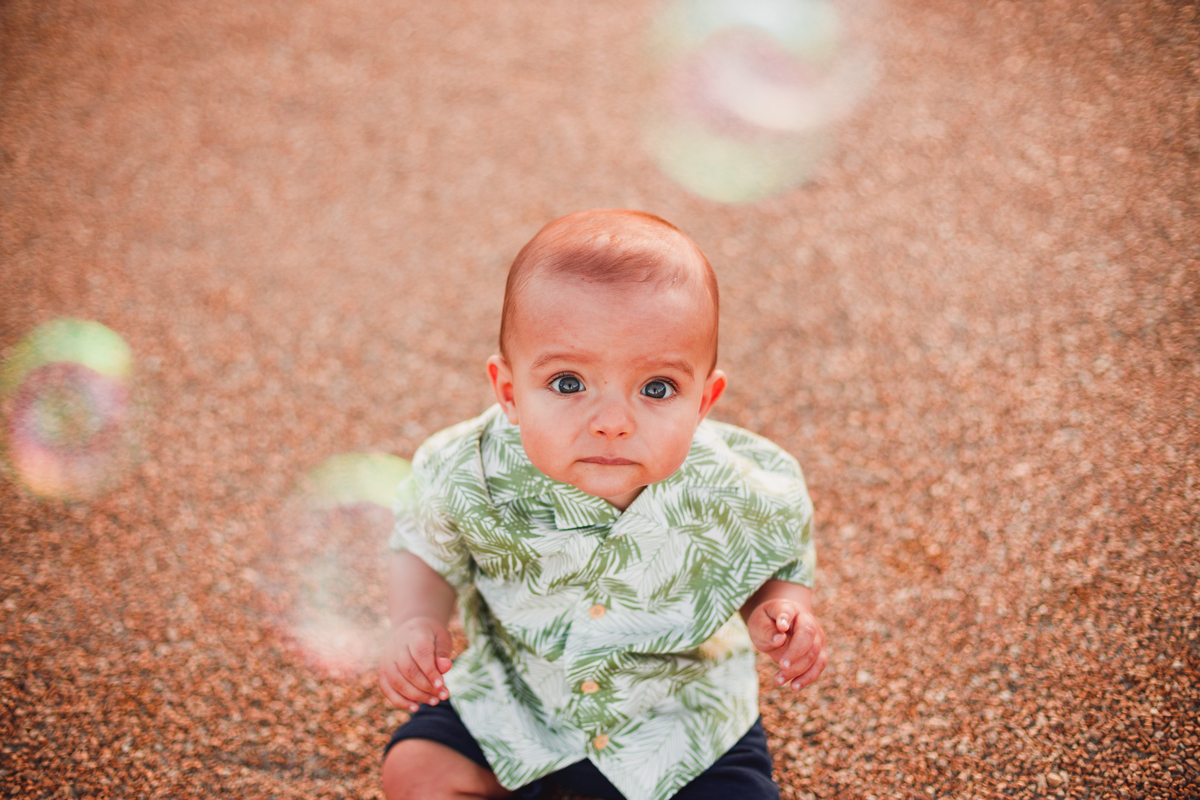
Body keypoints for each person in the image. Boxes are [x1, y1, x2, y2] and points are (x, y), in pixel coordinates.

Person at [378, 209, 826, 800]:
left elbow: (777, 561)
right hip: (516, 701)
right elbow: (425, 546)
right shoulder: (470, 470)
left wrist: (779, 609)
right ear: (510, 393)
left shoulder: (742, 487)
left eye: (657, 388)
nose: (613, 422)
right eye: (568, 383)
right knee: (416, 770)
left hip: (680, 720)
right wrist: (419, 618)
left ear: (703, 400)